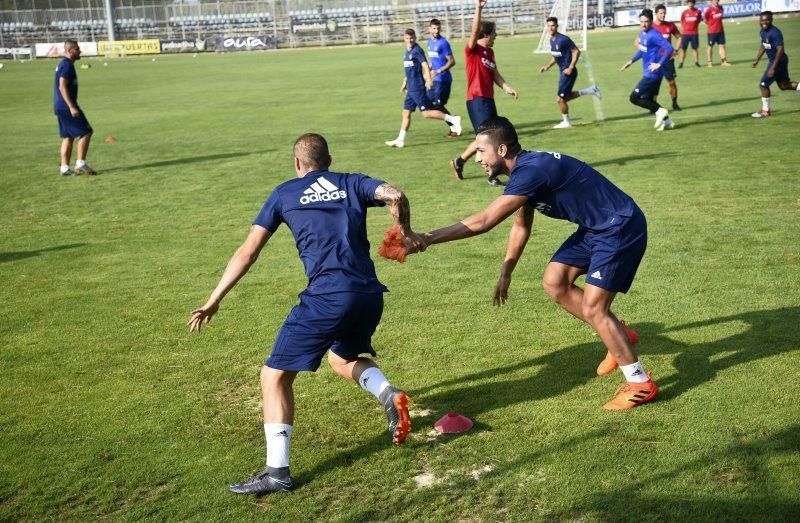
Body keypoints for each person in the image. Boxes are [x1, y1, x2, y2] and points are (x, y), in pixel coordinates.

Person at [189, 133, 413, 495]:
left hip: (327, 297)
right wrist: (405, 232)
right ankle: (389, 394)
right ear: (328, 159)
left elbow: (248, 251)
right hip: (368, 295)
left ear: (298, 164)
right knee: (342, 359)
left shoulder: (284, 193)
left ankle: (276, 472)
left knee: (274, 377)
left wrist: (215, 298)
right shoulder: (351, 182)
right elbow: (395, 195)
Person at [406, 117, 658, 410]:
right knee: (555, 281)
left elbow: (485, 220)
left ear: (501, 150)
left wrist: (426, 238)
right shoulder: (522, 173)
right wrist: (506, 272)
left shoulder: (531, 172)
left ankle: (641, 384)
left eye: (480, 152)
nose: (476, 159)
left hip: (619, 227)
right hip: (597, 228)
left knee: (593, 307)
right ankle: (618, 333)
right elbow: (520, 226)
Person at [449, 0, 518, 187]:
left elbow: (495, 74)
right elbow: (473, 31)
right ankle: (491, 174)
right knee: (488, 138)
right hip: (476, 98)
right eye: (494, 33)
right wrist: (478, 9)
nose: (496, 36)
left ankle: (459, 161)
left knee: (491, 136)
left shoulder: (490, 53)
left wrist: (506, 87)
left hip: (488, 99)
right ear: (486, 34)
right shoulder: (473, 50)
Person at [385, 28, 462, 148]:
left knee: (426, 113)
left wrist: (429, 79)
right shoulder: (407, 52)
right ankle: (400, 140)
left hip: (417, 88)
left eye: (411, 38)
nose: (409, 40)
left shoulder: (417, 50)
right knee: (406, 113)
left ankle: (453, 119)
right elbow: (409, 70)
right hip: (411, 88)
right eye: (407, 38)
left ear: (415, 38)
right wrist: (404, 81)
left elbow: (425, 65)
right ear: (404, 39)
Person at [538, 16, 601, 129]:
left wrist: (571, 67)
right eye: (548, 26)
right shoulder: (551, 40)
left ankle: (566, 122)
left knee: (560, 99)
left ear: (557, 26)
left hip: (568, 72)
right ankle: (591, 90)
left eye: (553, 25)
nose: (550, 28)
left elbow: (576, 51)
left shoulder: (563, 39)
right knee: (564, 97)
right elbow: (556, 56)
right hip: (563, 72)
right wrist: (547, 67)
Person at [620, 9, 675, 131]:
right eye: (641, 21)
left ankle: (660, 111)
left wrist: (659, 64)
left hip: (652, 74)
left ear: (651, 22)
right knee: (648, 100)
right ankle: (667, 121)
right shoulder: (642, 33)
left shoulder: (654, 34)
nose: (643, 24)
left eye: (646, 22)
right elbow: (642, 50)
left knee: (634, 98)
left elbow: (669, 48)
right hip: (651, 73)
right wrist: (631, 61)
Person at [54, 39, 96, 177]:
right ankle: (80, 163)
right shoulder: (66, 65)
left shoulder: (64, 64)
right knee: (87, 131)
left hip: (60, 106)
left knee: (68, 136)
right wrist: (72, 106)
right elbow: (62, 86)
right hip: (67, 106)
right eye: (77, 49)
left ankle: (65, 168)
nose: (80, 51)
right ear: (71, 50)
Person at [751, 11, 799, 118]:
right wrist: (757, 59)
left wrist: (773, 67)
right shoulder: (762, 32)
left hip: (778, 61)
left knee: (763, 84)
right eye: (762, 20)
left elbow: (780, 49)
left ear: (771, 20)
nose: (764, 22)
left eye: (767, 20)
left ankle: (765, 111)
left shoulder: (775, 32)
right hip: (779, 61)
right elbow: (764, 46)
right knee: (784, 85)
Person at [427, 18, 458, 136]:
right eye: (434, 28)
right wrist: (427, 71)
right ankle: (453, 122)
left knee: (438, 105)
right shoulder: (429, 43)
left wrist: (438, 70)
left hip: (443, 80)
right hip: (434, 80)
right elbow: (433, 61)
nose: (436, 31)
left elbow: (452, 61)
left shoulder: (443, 43)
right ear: (429, 29)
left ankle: (454, 126)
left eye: (438, 28)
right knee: (429, 102)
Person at [653, 4, 682, 110]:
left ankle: (675, 103)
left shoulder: (670, 25)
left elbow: (679, 37)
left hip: (668, 59)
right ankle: (653, 106)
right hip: (655, 60)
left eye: (664, 13)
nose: (663, 15)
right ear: (656, 14)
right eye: (661, 13)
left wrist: (676, 49)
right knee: (654, 84)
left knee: (672, 83)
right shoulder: (651, 27)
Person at [704, 0, 731, 67]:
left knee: (721, 46)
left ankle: (723, 61)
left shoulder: (721, 8)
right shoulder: (709, 10)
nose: (716, 1)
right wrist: (711, 25)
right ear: (712, 1)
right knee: (710, 46)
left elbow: (720, 18)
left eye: (717, 0)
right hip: (712, 32)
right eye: (714, 0)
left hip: (720, 31)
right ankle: (709, 62)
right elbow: (705, 20)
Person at [678, 0, 702, 68]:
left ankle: (696, 62)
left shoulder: (698, 11)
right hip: (685, 34)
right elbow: (682, 21)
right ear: (687, 3)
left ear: (694, 3)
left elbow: (699, 20)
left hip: (694, 33)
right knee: (683, 49)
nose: (690, 4)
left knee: (695, 48)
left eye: (691, 2)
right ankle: (681, 63)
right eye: (689, 2)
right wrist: (685, 29)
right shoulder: (684, 12)